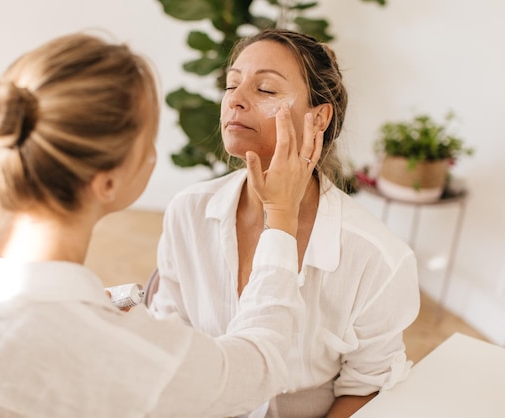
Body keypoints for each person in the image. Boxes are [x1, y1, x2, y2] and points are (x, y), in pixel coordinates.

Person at [0, 31, 327, 418]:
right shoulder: (116, 355)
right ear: (109, 180)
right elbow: (260, 364)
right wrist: (282, 220)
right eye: (148, 138)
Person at [149, 28, 421, 418]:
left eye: (266, 90)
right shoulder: (187, 212)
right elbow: (171, 341)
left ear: (318, 116)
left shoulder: (377, 258)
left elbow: (366, 388)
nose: (235, 101)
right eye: (232, 85)